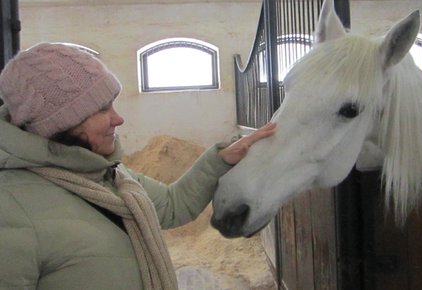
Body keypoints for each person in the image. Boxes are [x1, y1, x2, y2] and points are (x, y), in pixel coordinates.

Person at [0, 42, 276, 290]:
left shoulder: (108, 173)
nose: (118, 119)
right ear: (61, 123)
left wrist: (221, 159)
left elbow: (171, 205)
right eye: (102, 110)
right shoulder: (10, 208)